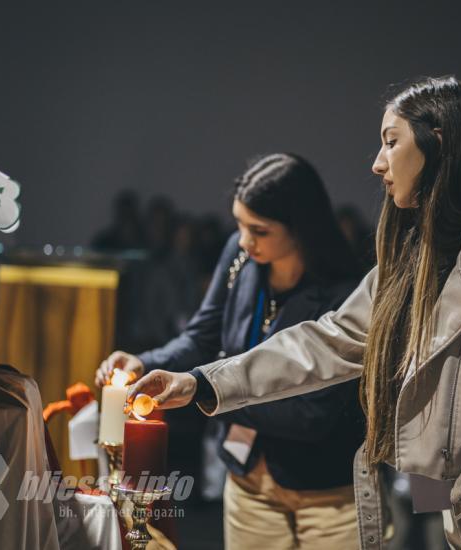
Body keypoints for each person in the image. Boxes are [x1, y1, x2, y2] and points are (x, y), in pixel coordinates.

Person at [128, 76, 461, 550]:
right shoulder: (418, 256)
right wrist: (202, 383)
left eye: (391, 142)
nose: (378, 164)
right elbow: (329, 339)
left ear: (437, 143)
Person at [96, 153, 365, 550]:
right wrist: (146, 363)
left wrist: (200, 391)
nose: (244, 239)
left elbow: (313, 414)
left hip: (327, 492)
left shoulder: (346, 291)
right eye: (239, 223)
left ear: (301, 228)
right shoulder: (241, 258)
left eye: (259, 229)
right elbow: (202, 337)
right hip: (248, 481)